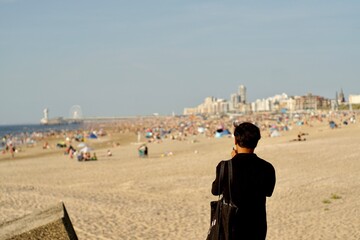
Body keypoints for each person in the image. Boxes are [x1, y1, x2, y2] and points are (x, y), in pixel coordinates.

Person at [211, 122, 276, 239]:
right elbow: (268, 192)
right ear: (256, 142)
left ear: (235, 141)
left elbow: (215, 191)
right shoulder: (267, 167)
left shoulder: (224, 167)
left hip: (231, 226)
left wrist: (234, 160)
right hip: (257, 226)